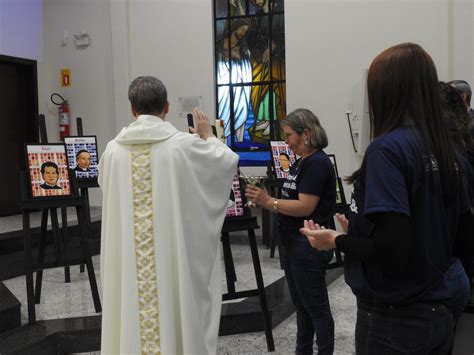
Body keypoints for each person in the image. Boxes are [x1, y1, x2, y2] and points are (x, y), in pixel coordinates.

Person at [300, 43, 473, 354]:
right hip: (439, 302)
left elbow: (394, 249)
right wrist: (364, 231)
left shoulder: (388, 149)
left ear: (384, 91)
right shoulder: (449, 146)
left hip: (397, 314)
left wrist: (336, 241)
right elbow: (458, 234)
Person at [98, 76, 238, 354]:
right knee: (174, 300)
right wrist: (208, 134)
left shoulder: (113, 151)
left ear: (132, 109)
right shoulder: (183, 145)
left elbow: (107, 186)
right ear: (166, 106)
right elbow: (226, 162)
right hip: (170, 256)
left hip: (129, 258)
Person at [246, 108, 336, 355]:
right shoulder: (301, 161)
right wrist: (265, 199)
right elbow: (291, 197)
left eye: (288, 136)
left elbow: (305, 206)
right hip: (293, 244)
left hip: (308, 245)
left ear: (305, 133)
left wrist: (268, 202)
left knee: (316, 309)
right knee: (302, 307)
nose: (286, 142)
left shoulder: (317, 163)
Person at [216, 18, 252, 143]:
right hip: (224, 80)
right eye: (242, 29)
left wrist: (238, 56)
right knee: (223, 110)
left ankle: (239, 140)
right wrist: (227, 55)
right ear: (235, 28)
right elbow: (215, 58)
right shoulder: (220, 43)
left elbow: (247, 60)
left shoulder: (243, 46)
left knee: (241, 108)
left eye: (245, 31)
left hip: (239, 81)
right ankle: (221, 139)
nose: (243, 33)